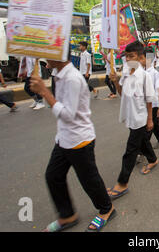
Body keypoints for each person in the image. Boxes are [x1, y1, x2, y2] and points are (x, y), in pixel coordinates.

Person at [29, 55, 116, 233]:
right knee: (53, 176)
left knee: (89, 180)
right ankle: (67, 214)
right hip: (63, 138)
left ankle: (107, 209)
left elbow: (68, 115)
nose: (46, 60)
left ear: (60, 55)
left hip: (79, 139)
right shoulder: (59, 74)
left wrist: (45, 93)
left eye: (49, 56)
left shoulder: (73, 79)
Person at [107, 41, 159, 199]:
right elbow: (122, 93)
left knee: (130, 151)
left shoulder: (145, 76)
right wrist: (115, 81)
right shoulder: (125, 72)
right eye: (127, 56)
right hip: (130, 114)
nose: (128, 59)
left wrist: (150, 120)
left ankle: (122, 183)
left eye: (132, 56)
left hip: (140, 117)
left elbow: (150, 100)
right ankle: (153, 159)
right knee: (143, 141)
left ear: (141, 57)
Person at [143, 47, 159, 149]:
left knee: (149, 126)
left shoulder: (154, 73)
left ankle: (143, 149)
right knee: (155, 124)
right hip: (145, 103)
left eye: (141, 58)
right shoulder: (141, 72)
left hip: (154, 103)